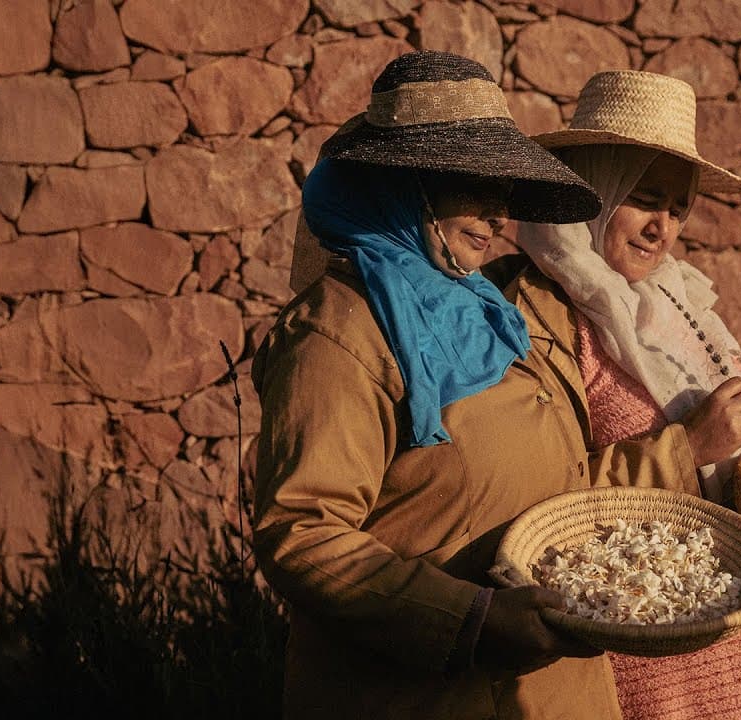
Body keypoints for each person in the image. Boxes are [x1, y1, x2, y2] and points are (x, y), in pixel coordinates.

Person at [252, 52, 714, 720]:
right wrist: (472, 618)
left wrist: (682, 458)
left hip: (553, 692)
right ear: (407, 181)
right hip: (432, 695)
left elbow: (557, 488)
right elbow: (303, 529)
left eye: (502, 188)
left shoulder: (488, 311)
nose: (500, 214)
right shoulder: (340, 331)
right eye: (472, 182)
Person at [510, 70, 741, 720]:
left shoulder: (675, 304)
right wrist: (689, 447)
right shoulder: (541, 321)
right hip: (652, 651)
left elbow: (724, 457)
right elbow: (532, 500)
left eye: (677, 209)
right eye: (645, 198)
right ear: (594, 191)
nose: (663, 228)